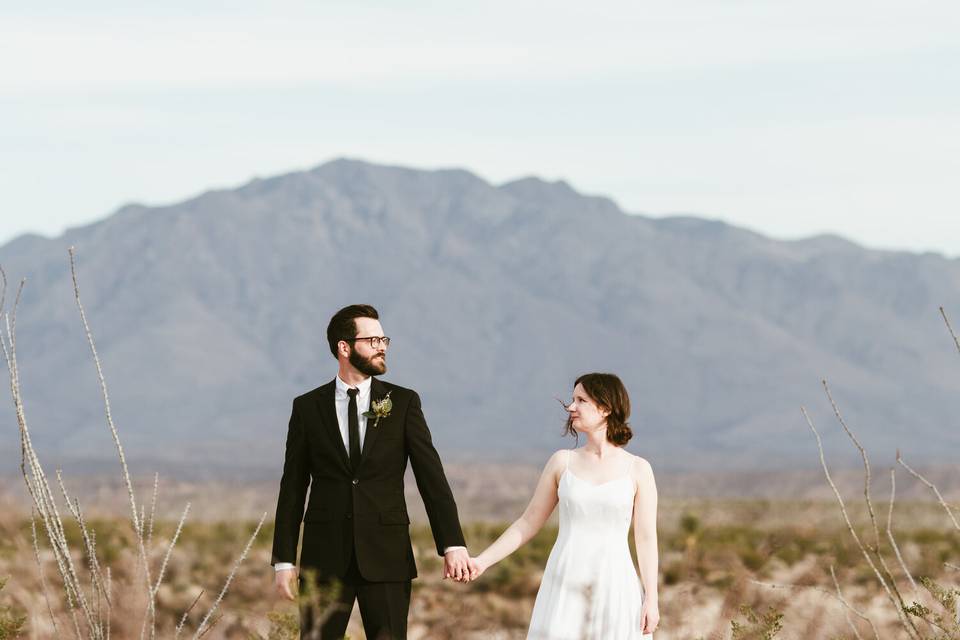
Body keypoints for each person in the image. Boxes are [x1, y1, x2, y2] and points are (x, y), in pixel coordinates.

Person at [271, 304, 473, 639]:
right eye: (373, 339)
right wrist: (283, 560)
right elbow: (292, 487)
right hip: (324, 558)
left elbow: (431, 478)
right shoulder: (307, 407)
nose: (382, 346)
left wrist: (452, 544)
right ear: (345, 347)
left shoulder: (404, 402)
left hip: (387, 555)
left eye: (384, 339)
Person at [470, 373, 659, 639]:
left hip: (616, 581)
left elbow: (646, 538)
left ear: (605, 408)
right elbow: (528, 522)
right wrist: (482, 561)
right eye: (572, 400)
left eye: (580, 400)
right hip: (566, 578)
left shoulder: (638, 469)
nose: (571, 407)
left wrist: (652, 599)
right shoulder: (562, 462)